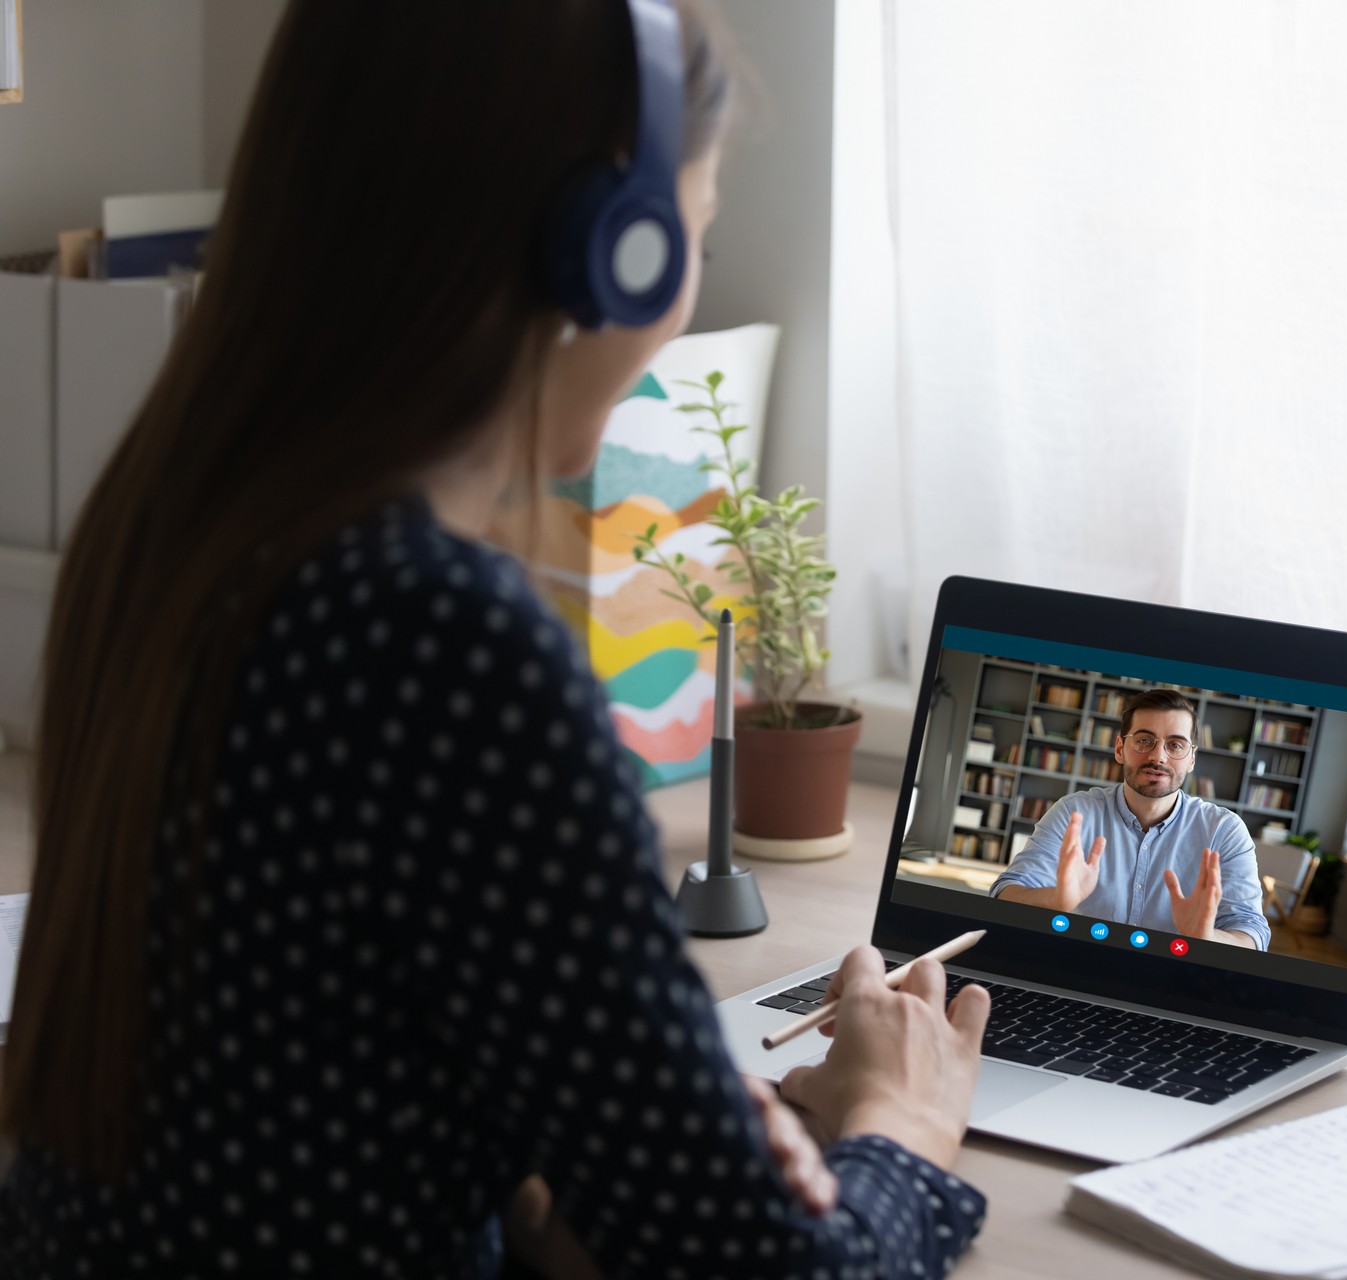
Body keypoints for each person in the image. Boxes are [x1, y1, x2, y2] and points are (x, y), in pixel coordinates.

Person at [0, 3, 992, 1276]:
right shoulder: (445, 641)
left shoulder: (170, 530)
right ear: (610, 252)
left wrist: (585, 1158)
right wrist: (900, 1124)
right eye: (693, 224)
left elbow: (310, 1071)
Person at [990, 689, 1271, 950]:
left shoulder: (1225, 831)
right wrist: (1055, 900)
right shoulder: (1073, 813)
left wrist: (1206, 937)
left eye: (1175, 745)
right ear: (1119, 748)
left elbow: (1252, 934)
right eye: (1144, 740)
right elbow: (1005, 894)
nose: (1158, 756)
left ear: (1192, 759)